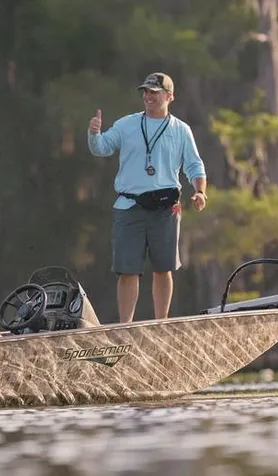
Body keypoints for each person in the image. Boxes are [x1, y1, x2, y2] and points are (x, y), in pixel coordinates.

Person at [87, 72, 207, 323]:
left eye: (154, 92)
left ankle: (161, 323)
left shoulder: (181, 130)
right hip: (129, 206)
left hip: (165, 209)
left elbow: (195, 166)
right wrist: (94, 134)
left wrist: (199, 191)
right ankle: (125, 326)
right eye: (146, 92)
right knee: (127, 271)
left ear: (169, 96)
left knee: (164, 269)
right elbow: (102, 148)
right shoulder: (127, 124)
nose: (148, 96)